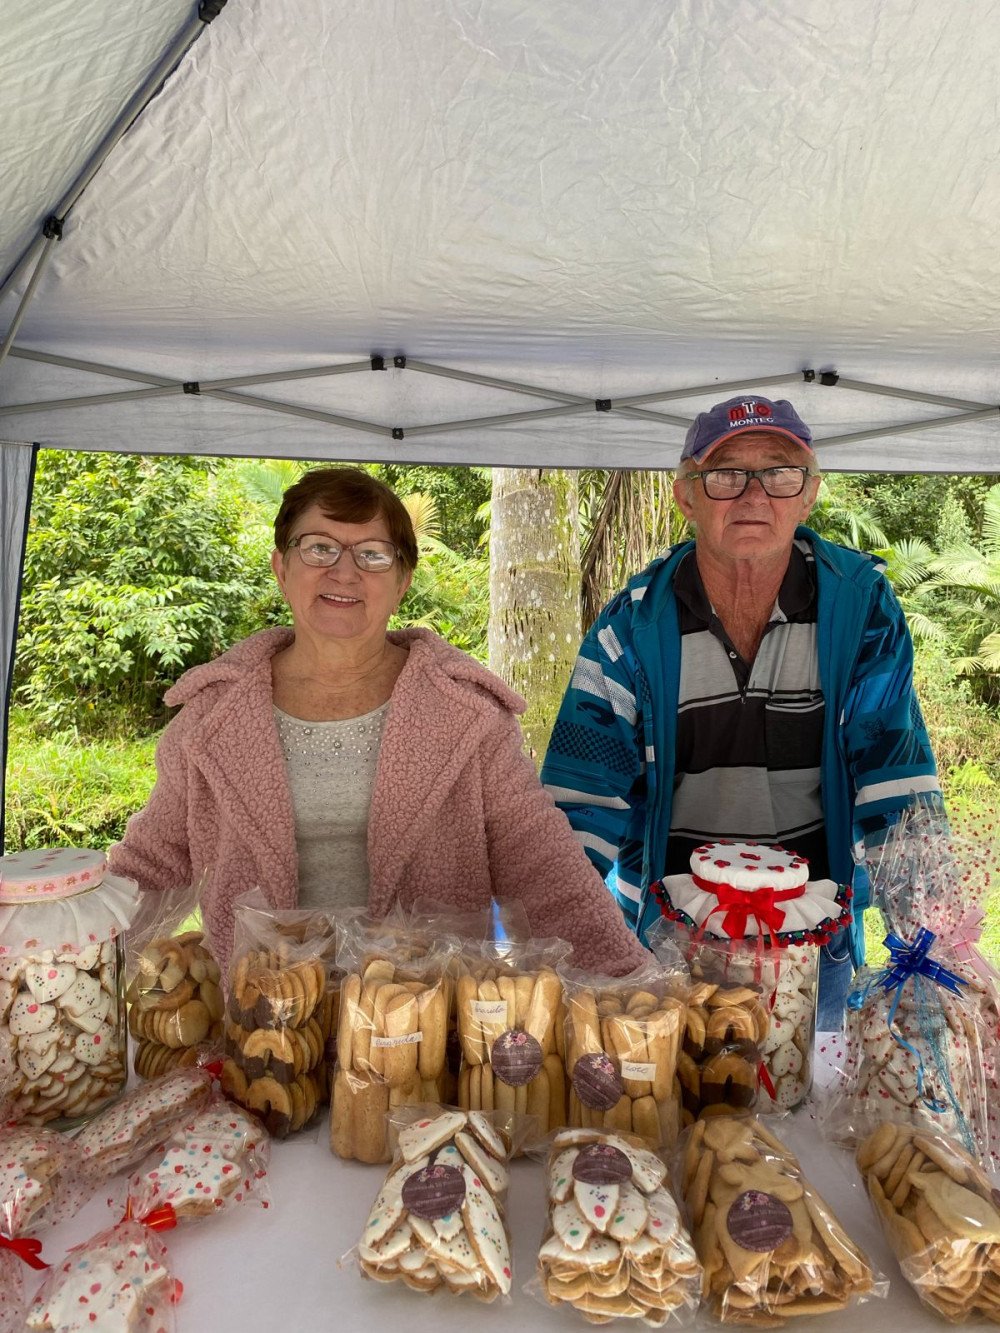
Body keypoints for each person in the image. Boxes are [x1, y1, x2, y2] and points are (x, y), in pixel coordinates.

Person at [109, 466, 648, 976]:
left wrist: (626, 985)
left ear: (403, 580)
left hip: (424, 1030)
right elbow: (152, 866)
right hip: (261, 1029)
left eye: (372, 555)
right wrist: (60, 968)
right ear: (281, 566)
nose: (344, 571)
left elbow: (543, 869)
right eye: (319, 547)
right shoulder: (211, 717)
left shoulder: (469, 718)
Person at [540, 395, 941, 1026]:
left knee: (809, 1110)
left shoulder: (860, 612)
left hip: (814, 946)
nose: (754, 497)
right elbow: (577, 810)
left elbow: (895, 785)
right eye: (726, 475)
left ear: (808, 495)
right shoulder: (630, 630)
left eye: (780, 474)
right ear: (686, 496)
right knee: (668, 1113)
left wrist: (928, 951)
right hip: (666, 945)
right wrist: (553, 961)